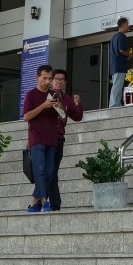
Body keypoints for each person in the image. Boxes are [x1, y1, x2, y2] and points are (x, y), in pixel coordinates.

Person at [23, 65, 59, 213]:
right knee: (40, 170)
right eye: (44, 78)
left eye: (50, 78)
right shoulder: (31, 95)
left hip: (51, 137)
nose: (47, 81)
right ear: (37, 77)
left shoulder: (54, 94)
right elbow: (26, 117)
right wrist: (43, 105)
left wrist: (59, 106)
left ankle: (33, 203)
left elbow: (62, 116)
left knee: (50, 173)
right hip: (36, 137)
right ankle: (45, 202)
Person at [48, 69, 83, 211]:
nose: (59, 81)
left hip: (58, 139)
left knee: (52, 171)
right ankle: (53, 203)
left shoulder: (67, 98)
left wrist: (78, 104)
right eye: (56, 78)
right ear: (51, 80)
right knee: (48, 172)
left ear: (65, 82)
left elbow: (77, 116)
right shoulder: (45, 95)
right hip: (45, 137)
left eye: (62, 79)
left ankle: (45, 201)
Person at [108, 18, 133, 108]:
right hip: (119, 65)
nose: (128, 26)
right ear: (123, 25)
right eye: (127, 24)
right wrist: (128, 54)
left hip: (114, 65)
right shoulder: (122, 36)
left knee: (117, 85)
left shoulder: (114, 37)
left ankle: (117, 104)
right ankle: (114, 104)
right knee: (117, 85)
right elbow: (121, 50)